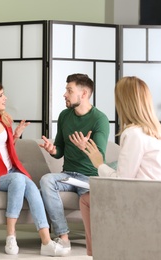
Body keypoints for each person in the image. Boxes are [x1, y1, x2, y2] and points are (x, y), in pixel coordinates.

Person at [0, 81, 66, 257]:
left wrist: (15, 136)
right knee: (19, 179)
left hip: (10, 172)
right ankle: (11, 236)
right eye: (1, 95)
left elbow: (6, 150)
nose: (5, 98)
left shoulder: (4, 120)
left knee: (33, 187)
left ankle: (46, 242)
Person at [80, 76, 161, 256]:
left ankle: (96, 253)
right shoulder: (158, 134)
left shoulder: (133, 134)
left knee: (86, 199)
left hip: (141, 201)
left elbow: (121, 182)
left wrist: (99, 163)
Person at [39, 73, 110, 254]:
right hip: (69, 175)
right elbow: (60, 149)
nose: (65, 94)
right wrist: (52, 150)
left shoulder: (99, 119)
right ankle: (63, 238)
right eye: (66, 90)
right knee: (46, 180)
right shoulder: (64, 116)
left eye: (69, 90)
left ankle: (100, 242)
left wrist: (84, 147)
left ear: (84, 93)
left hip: (90, 178)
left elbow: (99, 158)